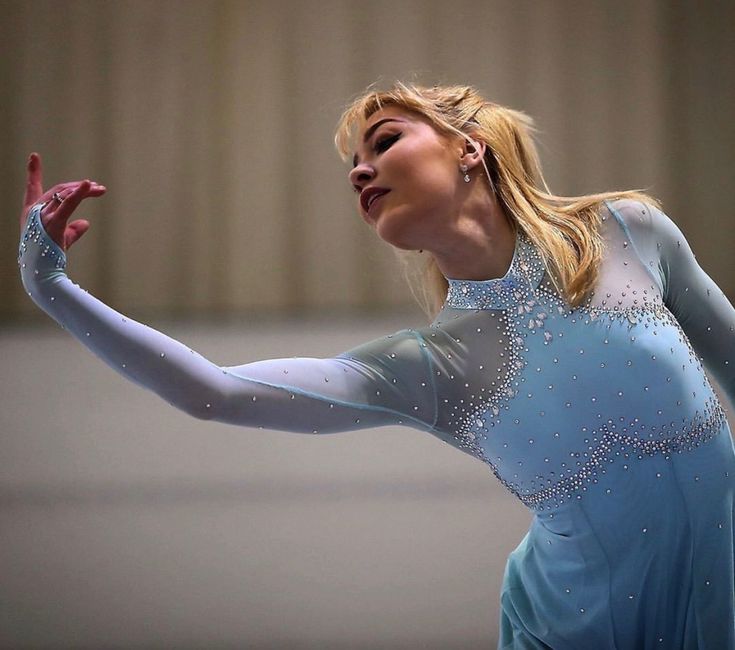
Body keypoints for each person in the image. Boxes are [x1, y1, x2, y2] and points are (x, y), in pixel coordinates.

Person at [18, 82, 735, 649]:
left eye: (383, 141)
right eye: (353, 166)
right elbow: (217, 392)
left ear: (470, 147)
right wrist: (51, 287)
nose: (360, 170)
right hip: (571, 629)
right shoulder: (426, 367)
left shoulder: (625, 230)